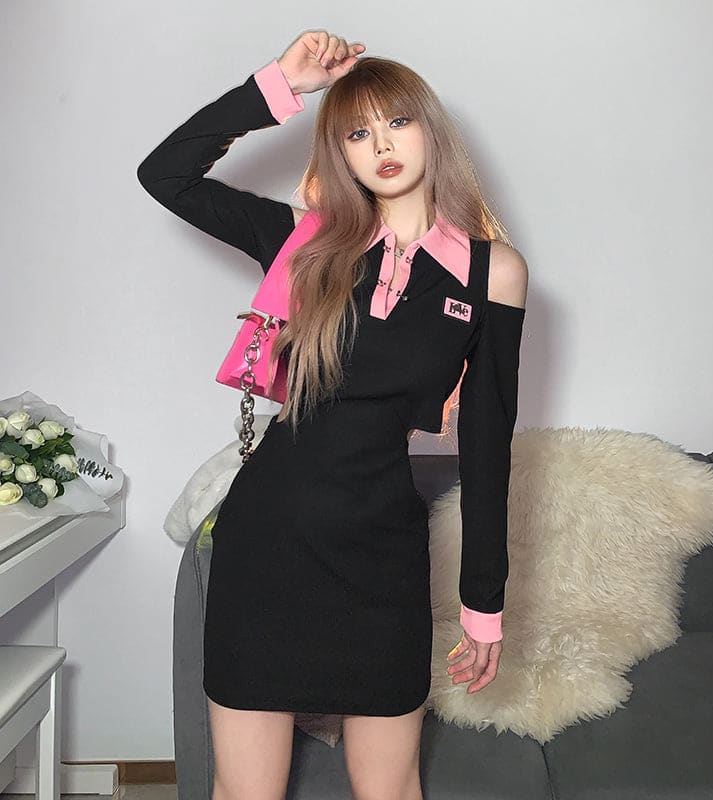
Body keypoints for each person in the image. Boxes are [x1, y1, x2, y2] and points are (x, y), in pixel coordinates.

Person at [138, 28, 528, 800]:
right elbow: (165, 174)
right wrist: (281, 83)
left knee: (390, 790)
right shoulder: (304, 243)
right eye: (356, 132)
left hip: (381, 555)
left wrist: (483, 604)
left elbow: (489, 446)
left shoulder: (494, 273)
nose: (381, 144)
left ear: (429, 129)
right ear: (339, 153)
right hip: (267, 545)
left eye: (397, 121)